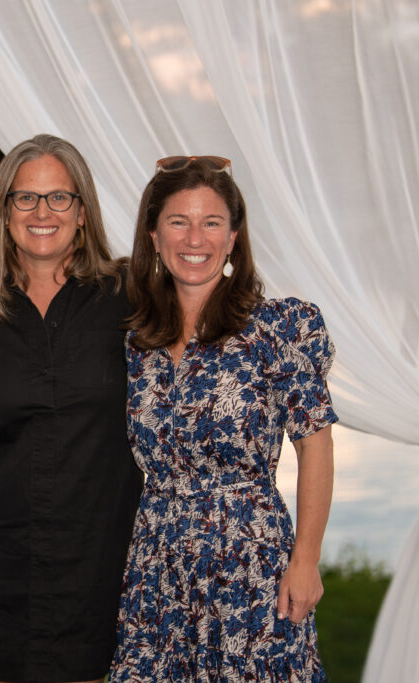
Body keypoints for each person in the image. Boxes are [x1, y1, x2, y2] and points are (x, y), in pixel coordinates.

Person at [108, 156, 336, 681]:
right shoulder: (136, 339)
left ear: (233, 237)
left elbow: (316, 446)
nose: (196, 238)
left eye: (211, 223)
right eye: (178, 222)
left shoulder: (276, 329)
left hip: (250, 562)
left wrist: (306, 559)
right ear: (153, 235)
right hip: (157, 563)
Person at [0, 134, 143, 683]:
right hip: (4, 553)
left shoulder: (131, 293)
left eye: (59, 198)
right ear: (3, 209)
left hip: (105, 553)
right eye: (25, 198)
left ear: (83, 212)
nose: (42, 212)